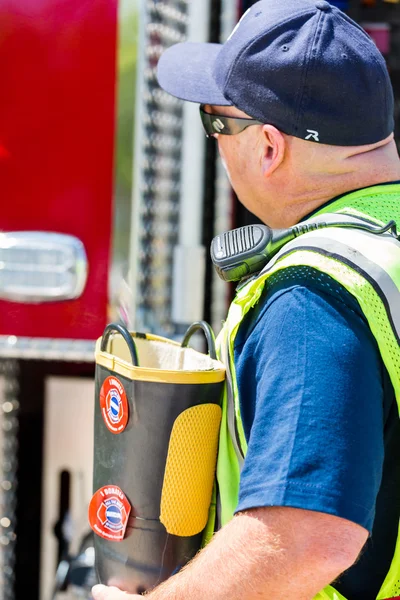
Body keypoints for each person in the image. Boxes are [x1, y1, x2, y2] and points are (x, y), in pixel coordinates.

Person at [92, 1, 400, 598]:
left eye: (216, 122)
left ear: (267, 146)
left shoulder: (314, 297)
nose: (215, 144)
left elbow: (306, 539)